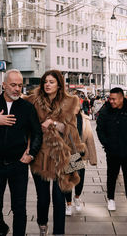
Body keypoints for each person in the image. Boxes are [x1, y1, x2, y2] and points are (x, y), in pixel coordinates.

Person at [0, 69, 42, 236]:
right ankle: (2, 228)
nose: (17, 89)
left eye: (20, 85)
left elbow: (38, 133)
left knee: (19, 208)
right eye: (13, 85)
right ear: (4, 85)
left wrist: (31, 153)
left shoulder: (27, 107)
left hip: (18, 164)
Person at [24, 70, 85, 236]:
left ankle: (59, 233)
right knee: (43, 199)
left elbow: (73, 130)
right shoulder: (32, 101)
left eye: (51, 82)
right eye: (45, 82)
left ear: (59, 84)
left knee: (59, 198)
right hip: (40, 155)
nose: (47, 85)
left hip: (62, 156)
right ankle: (42, 225)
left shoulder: (70, 101)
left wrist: (55, 123)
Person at [96, 87, 127, 211]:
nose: (111, 101)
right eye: (110, 98)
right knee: (112, 175)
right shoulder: (105, 110)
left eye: (114, 99)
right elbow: (100, 129)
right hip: (112, 150)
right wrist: (106, 144)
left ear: (121, 98)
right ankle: (111, 199)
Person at [65, 104, 97, 216]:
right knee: (68, 181)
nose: (75, 107)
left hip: (81, 155)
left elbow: (90, 138)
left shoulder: (85, 119)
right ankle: (68, 204)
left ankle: (77, 197)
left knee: (80, 180)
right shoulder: (64, 118)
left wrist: (93, 158)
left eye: (77, 104)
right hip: (68, 154)